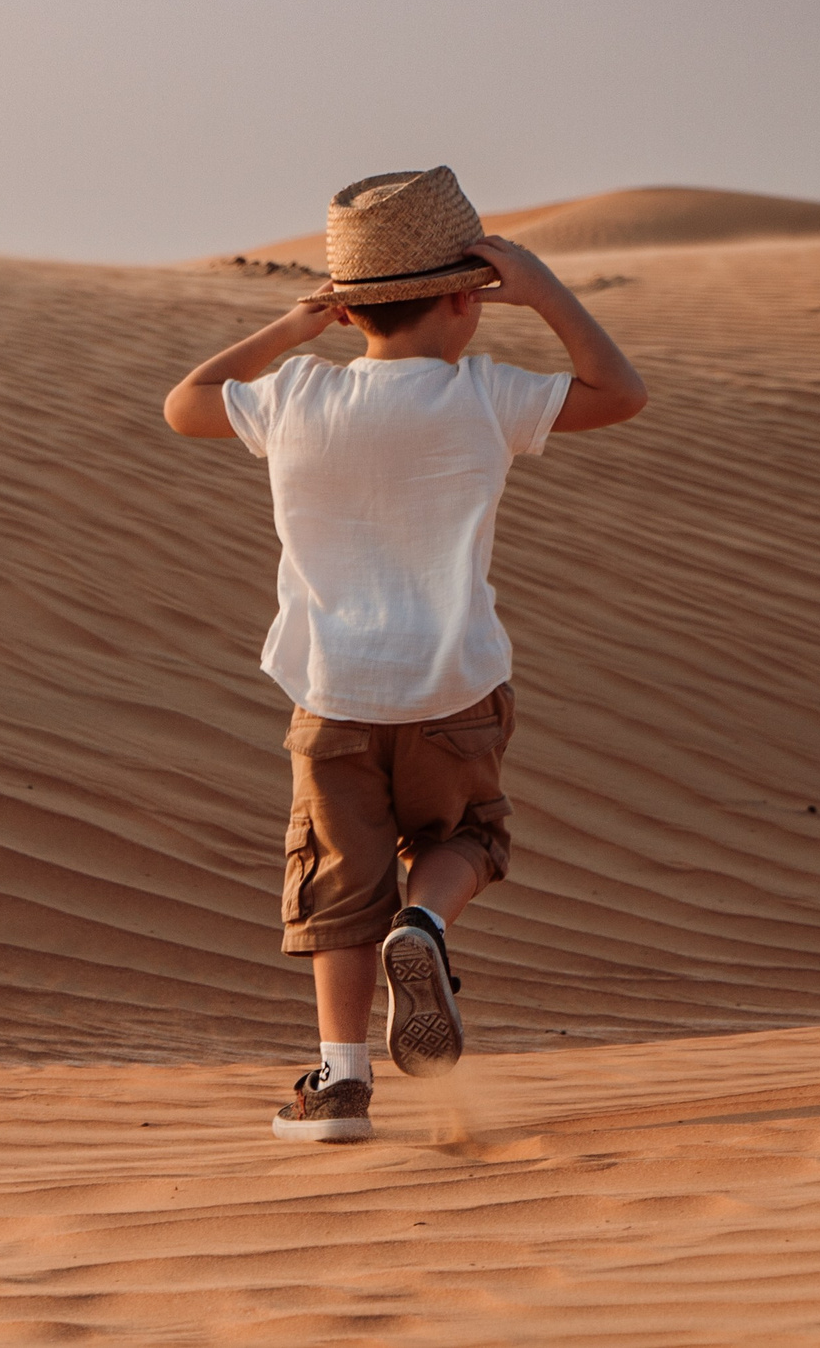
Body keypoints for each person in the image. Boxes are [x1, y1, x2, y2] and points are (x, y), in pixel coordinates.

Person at [163, 168, 647, 1143]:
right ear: (471, 294)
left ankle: (340, 1085)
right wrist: (547, 291)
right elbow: (619, 393)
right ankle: (423, 925)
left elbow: (185, 401)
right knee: (466, 836)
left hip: (335, 692)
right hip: (455, 683)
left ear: (350, 311)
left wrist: (295, 328)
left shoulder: (296, 393)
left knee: (338, 883)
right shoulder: (483, 395)